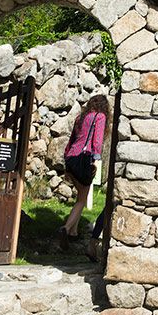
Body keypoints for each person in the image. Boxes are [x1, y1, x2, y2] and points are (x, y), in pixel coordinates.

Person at [60, 94, 108, 248]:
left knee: (79, 196)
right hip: (84, 158)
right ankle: (66, 229)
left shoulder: (80, 118)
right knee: (82, 199)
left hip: (71, 158)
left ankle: (73, 232)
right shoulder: (99, 117)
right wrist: (96, 159)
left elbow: (72, 139)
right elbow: (97, 140)